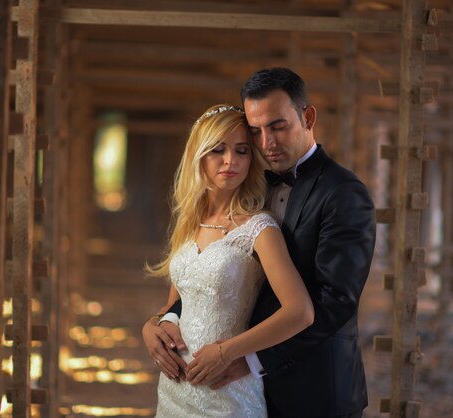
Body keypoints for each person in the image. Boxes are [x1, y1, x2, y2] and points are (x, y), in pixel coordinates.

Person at [143, 67, 376, 418]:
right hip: (227, 382)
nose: (266, 142)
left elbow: (335, 301)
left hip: (312, 388)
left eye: (278, 126)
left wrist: (246, 359)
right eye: (256, 132)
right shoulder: (248, 186)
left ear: (307, 117)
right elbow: (203, 285)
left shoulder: (344, 194)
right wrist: (157, 324)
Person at [144, 103, 315, 417]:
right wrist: (150, 327)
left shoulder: (259, 229)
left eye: (241, 151)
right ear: (199, 154)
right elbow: (176, 305)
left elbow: (300, 312)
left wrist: (226, 352)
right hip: (173, 389)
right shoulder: (189, 225)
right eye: (218, 150)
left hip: (227, 392)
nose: (230, 161)